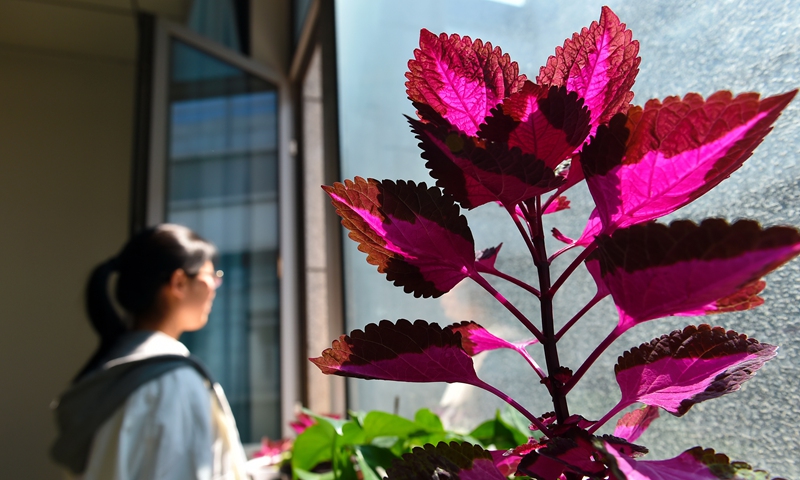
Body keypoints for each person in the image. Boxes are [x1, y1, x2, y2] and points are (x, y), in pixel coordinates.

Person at [51, 224, 248, 479]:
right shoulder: (173, 382)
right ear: (178, 282)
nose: (214, 286)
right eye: (211, 275)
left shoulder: (114, 370)